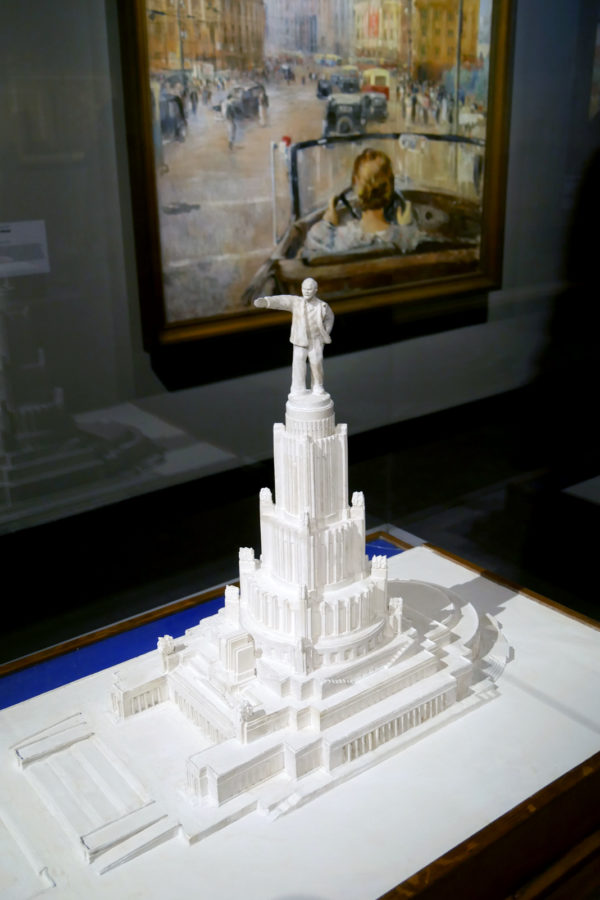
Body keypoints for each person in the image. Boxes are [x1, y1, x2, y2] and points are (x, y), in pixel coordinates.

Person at [303, 148, 422, 260]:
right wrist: (406, 225)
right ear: (390, 186)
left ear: (355, 182)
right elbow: (415, 241)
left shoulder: (340, 239)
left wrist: (328, 223)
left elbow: (312, 244)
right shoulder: (403, 239)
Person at [254, 278, 334, 396]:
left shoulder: (322, 306)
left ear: (315, 290)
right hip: (299, 339)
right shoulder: (296, 302)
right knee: (298, 364)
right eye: (304, 289)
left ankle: (317, 385)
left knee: (316, 363)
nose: (306, 292)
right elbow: (282, 300)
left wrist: (326, 332)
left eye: (309, 289)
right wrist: (266, 302)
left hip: (316, 339)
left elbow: (329, 318)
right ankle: (298, 388)